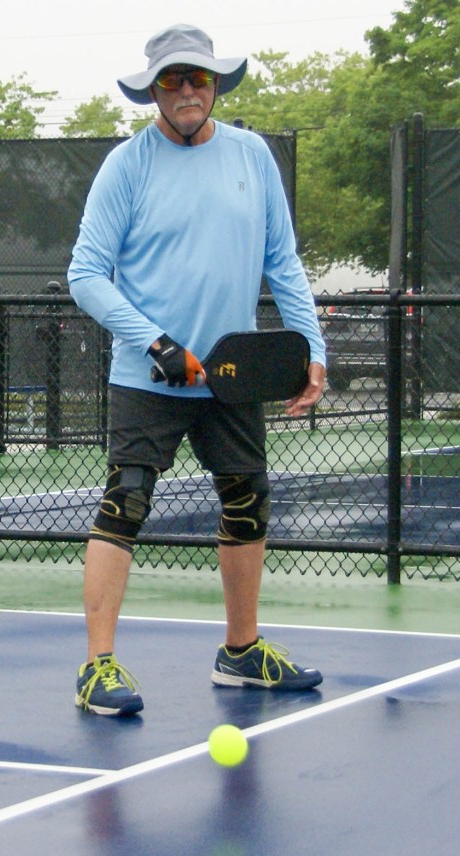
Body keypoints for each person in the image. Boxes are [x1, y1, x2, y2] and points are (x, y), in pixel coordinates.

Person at [67, 24, 327, 717]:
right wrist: (155, 343)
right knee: (124, 505)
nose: (187, 90)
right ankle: (98, 667)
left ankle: (242, 652)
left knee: (247, 502)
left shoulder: (252, 156)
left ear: (216, 85)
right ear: (153, 89)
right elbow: (86, 274)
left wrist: (312, 349)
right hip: (147, 376)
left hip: (232, 375)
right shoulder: (127, 166)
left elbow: (285, 262)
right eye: (172, 80)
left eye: (198, 79)